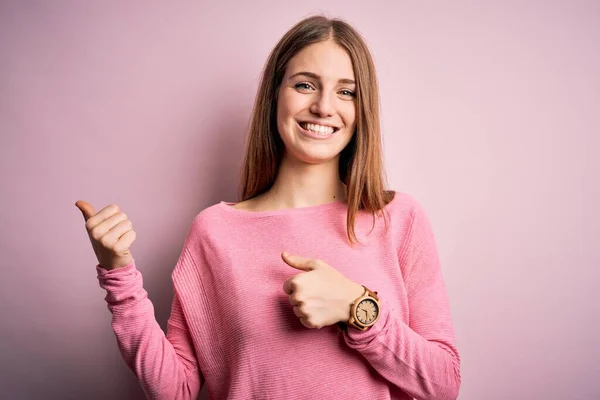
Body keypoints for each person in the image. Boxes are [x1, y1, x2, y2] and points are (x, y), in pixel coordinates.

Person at [76, 15, 461, 400]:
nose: (324, 107)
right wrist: (118, 273)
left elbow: (443, 384)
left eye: (347, 92)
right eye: (305, 85)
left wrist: (358, 308)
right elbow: (176, 391)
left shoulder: (399, 219)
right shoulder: (215, 231)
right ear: (276, 93)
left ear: (363, 111)